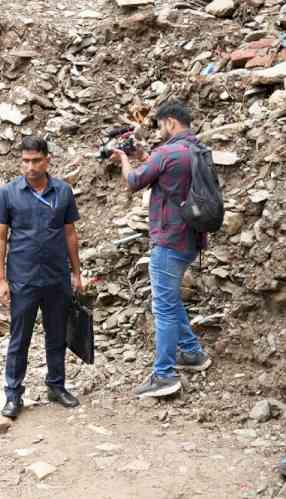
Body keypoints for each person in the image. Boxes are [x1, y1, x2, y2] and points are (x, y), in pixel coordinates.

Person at [111, 100, 212, 398]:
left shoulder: (167, 153)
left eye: (161, 125)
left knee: (164, 308)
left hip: (169, 240)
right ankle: (193, 354)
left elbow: (132, 181)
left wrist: (124, 159)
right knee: (170, 299)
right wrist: (144, 155)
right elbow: (169, 175)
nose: (161, 131)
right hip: (192, 239)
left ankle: (164, 375)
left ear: (169, 122)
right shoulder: (198, 150)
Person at [0, 136, 83, 419]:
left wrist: (77, 272)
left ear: (47, 160)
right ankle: (13, 395)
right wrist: (1, 279)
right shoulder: (9, 193)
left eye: (35, 161)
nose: (30, 167)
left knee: (57, 335)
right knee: (20, 339)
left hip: (56, 277)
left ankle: (56, 385)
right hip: (23, 278)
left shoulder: (63, 191)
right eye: (25, 161)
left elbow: (69, 233)